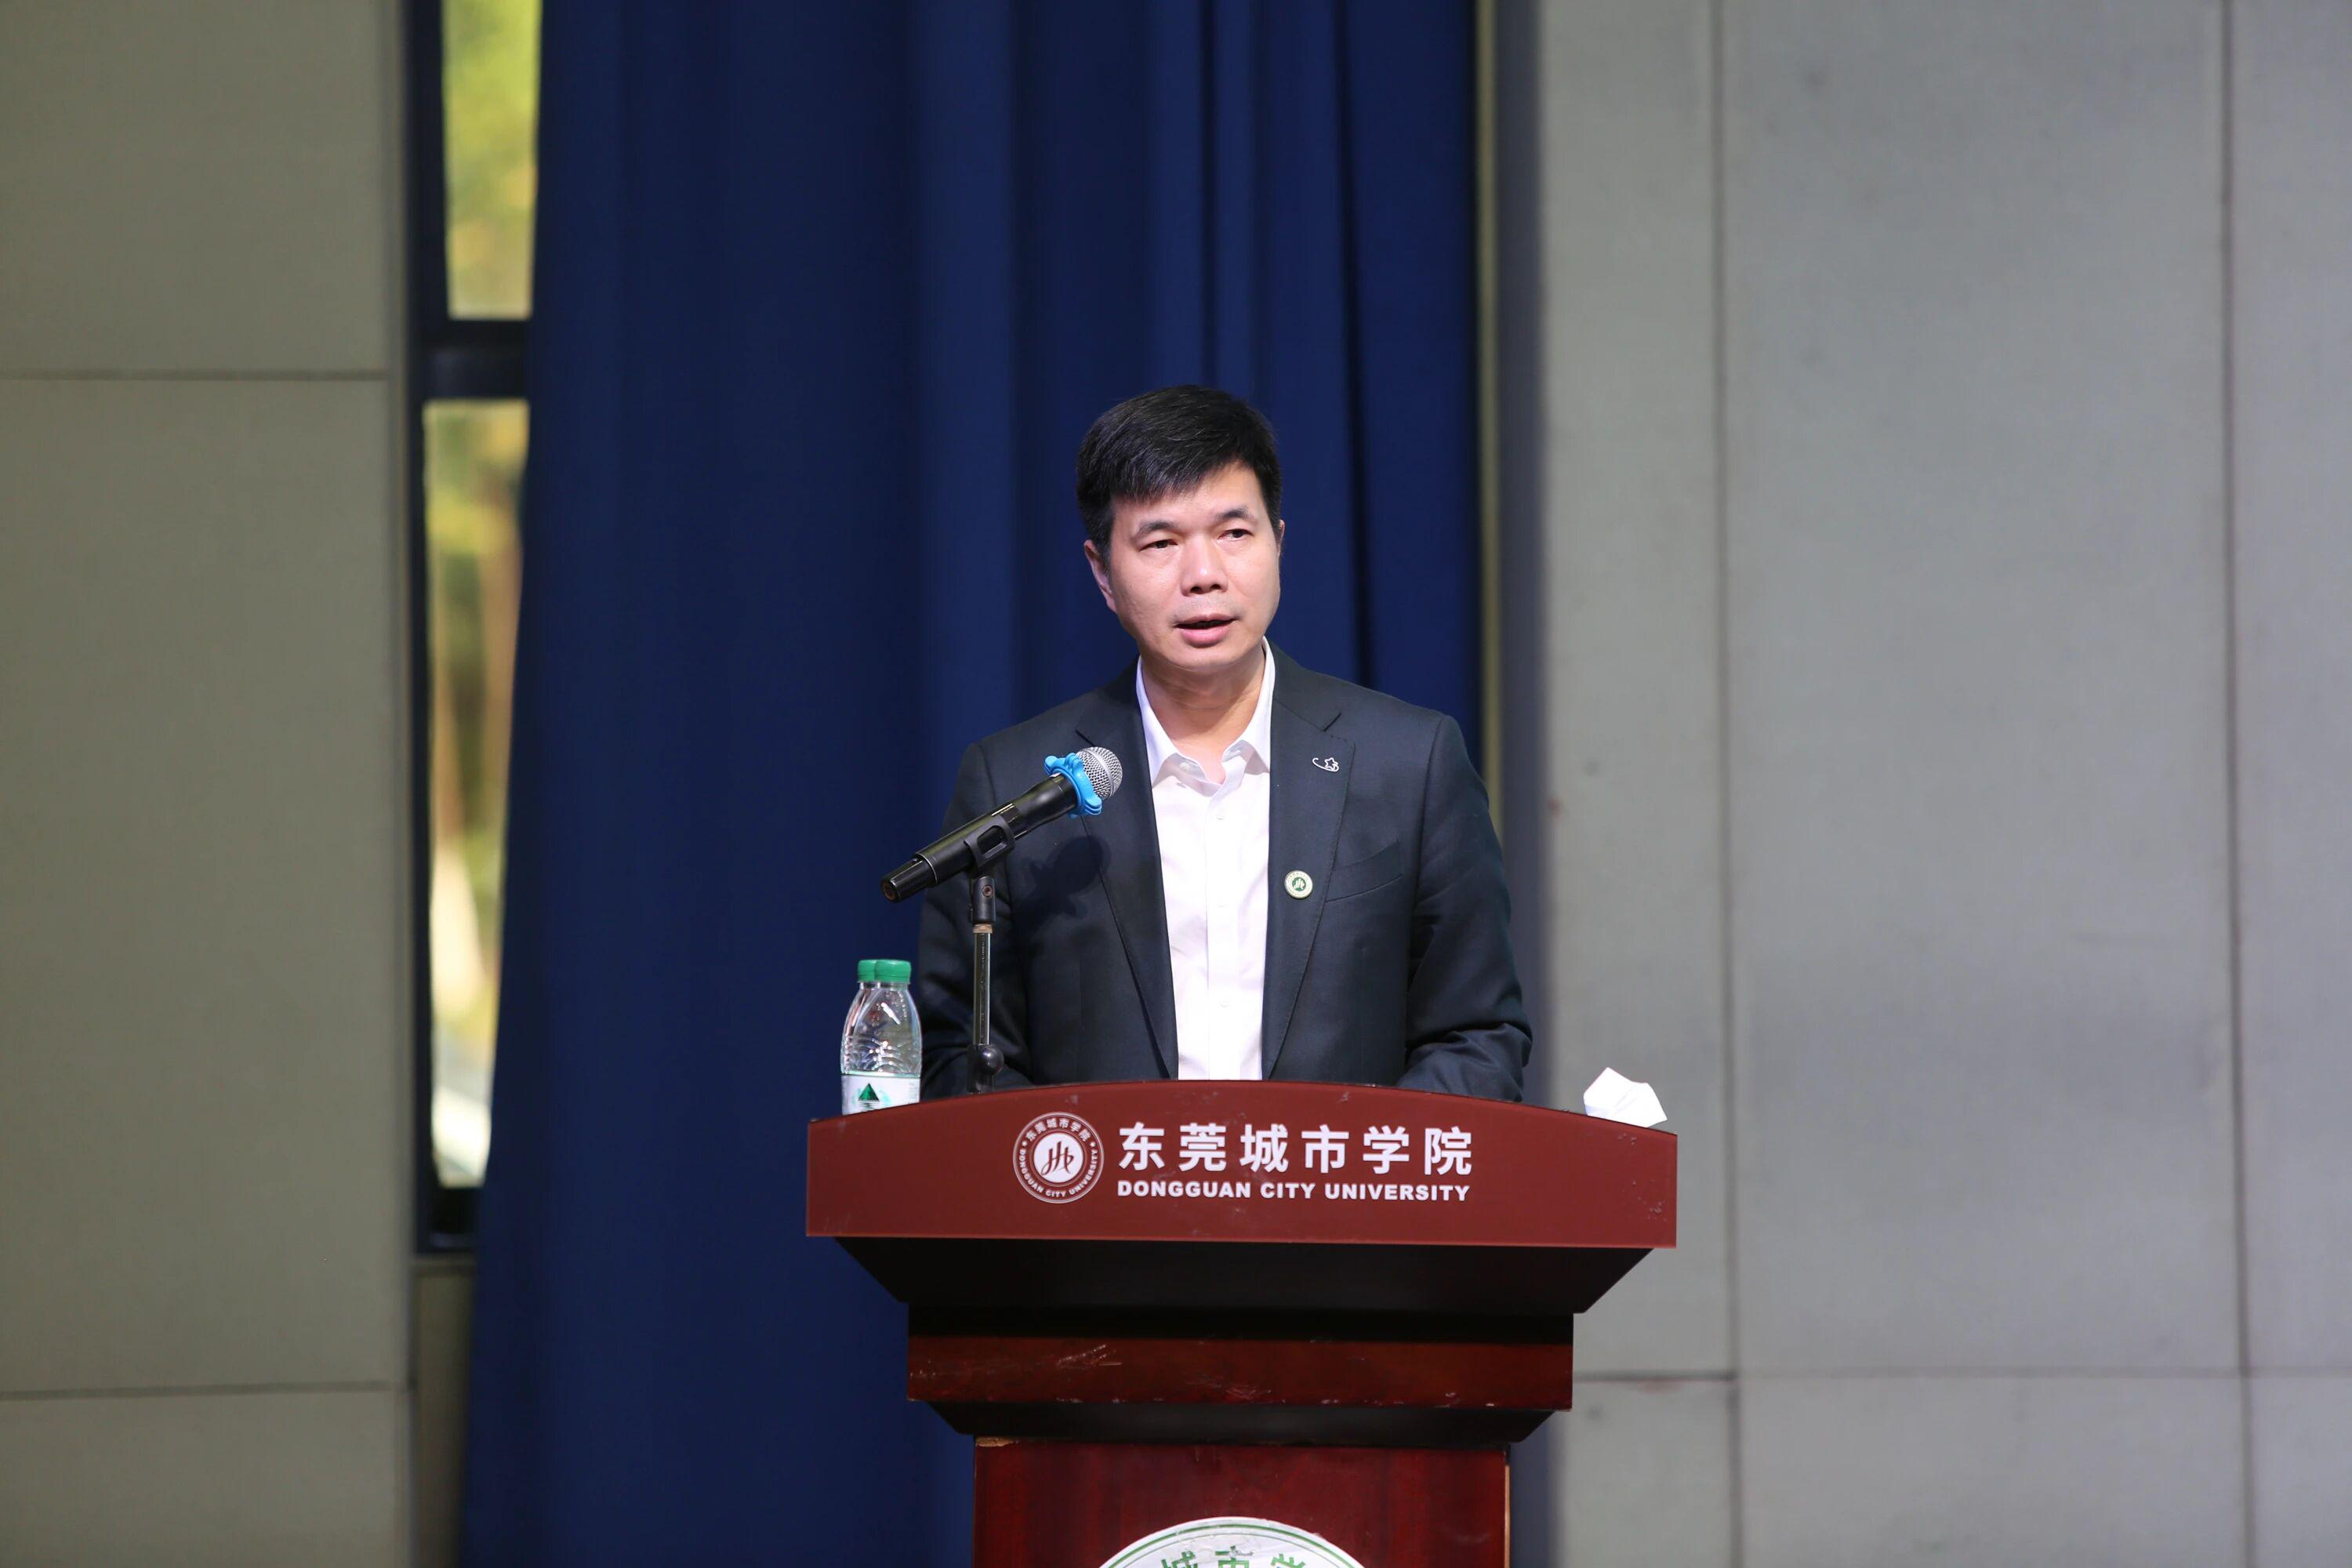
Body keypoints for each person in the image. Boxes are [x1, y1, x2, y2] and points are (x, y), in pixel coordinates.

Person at [916, 385, 1530, 1101]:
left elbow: (1476, 1035)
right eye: (1161, 544)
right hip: (1107, 1176)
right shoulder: (1015, 786)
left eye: (1235, 534)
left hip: (1333, 1173)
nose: (1203, 576)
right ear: (1102, 573)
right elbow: (958, 1053)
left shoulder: (1408, 764)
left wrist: (1355, 1161)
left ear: (1279, 542)